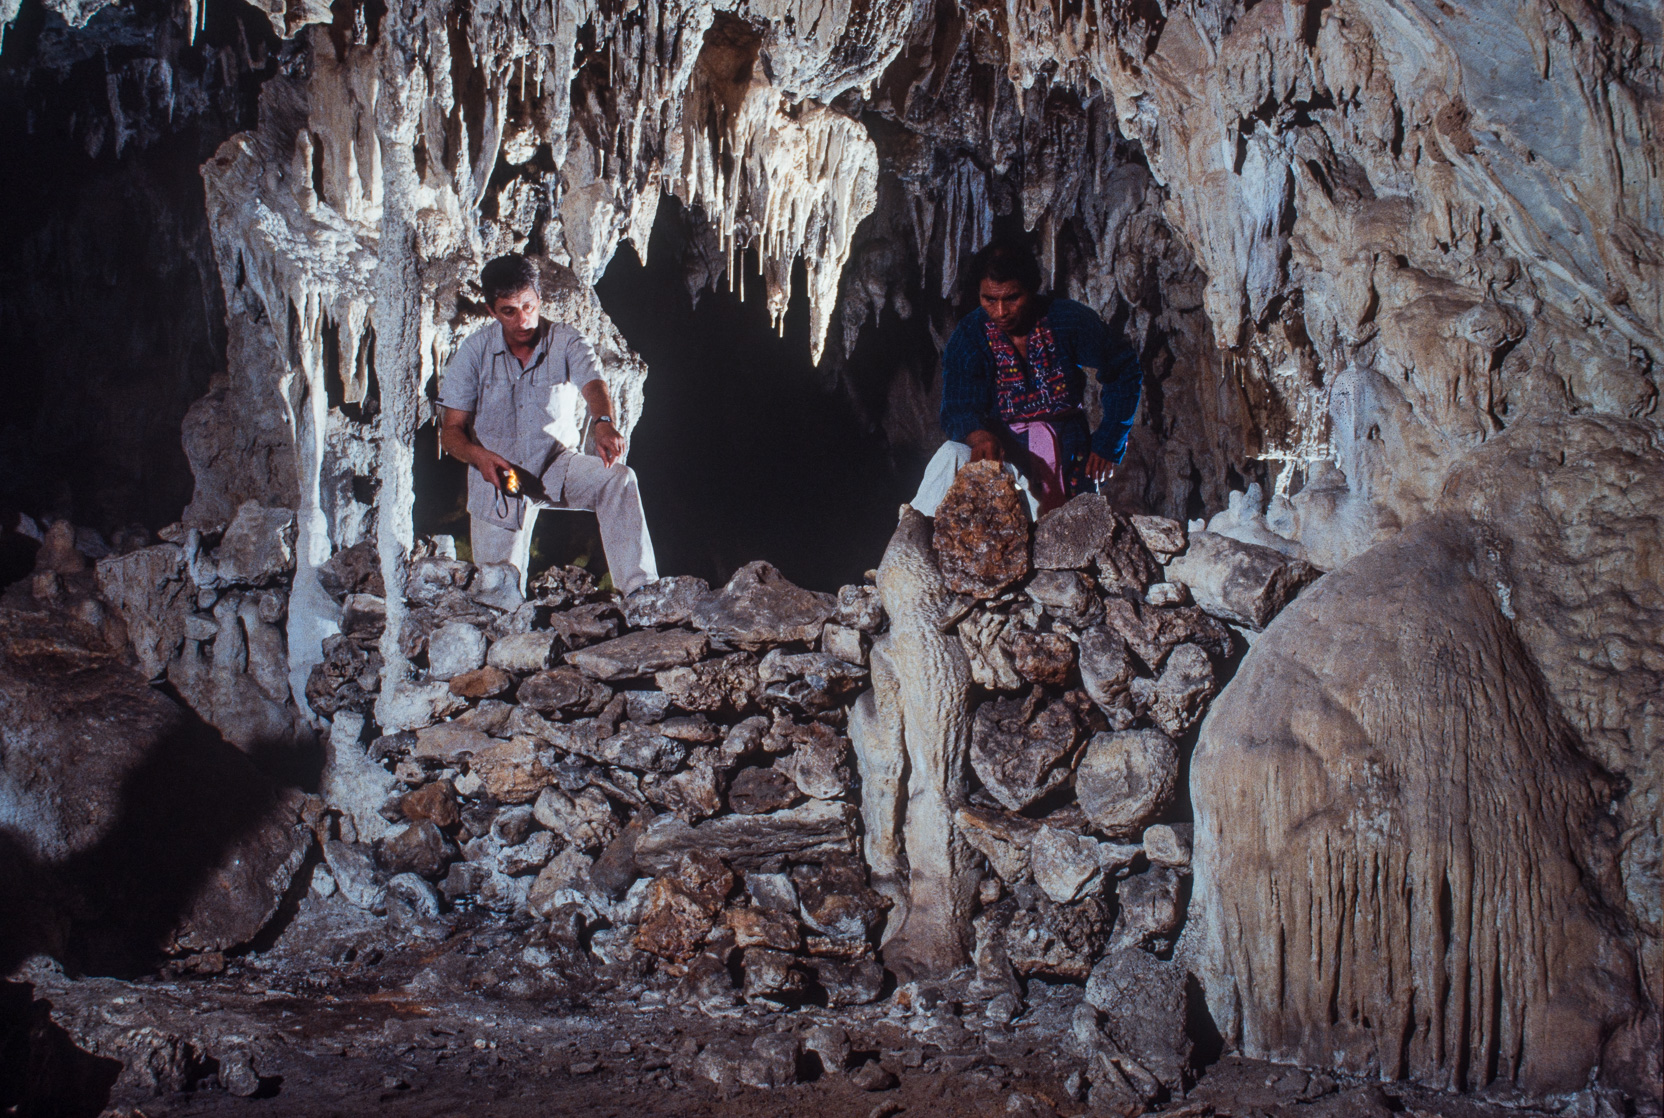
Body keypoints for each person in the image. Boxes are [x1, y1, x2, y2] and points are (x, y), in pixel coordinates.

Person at [437, 254, 658, 593]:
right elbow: (451, 431)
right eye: (509, 311)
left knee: (619, 479)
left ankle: (643, 592)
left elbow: (593, 383)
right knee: (497, 598)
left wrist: (602, 421)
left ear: (538, 299)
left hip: (556, 464)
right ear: (491, 310)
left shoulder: (565, 340)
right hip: (499, 478)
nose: (522, 319)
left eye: (528, 306)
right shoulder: (474, 352)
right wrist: (479, 458)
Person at [914, 238, 1143, 516]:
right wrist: (978, 436)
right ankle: (910, 541)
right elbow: (957, 406)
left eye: (1012, 298)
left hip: (1068, 462)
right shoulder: (970, 335)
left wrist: (1109, 441)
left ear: (1031, 290)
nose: (1001, 312)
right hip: (1006, 461)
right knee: (951, 454)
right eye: (989, 299)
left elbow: (1123, 369)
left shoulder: (1067, 320)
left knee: (1066, 540)